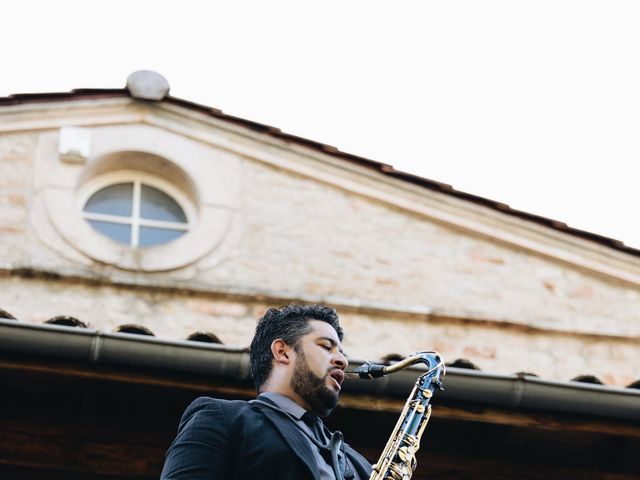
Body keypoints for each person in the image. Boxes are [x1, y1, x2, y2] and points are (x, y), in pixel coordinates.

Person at [160, 304, 372, 480]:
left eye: (342, 353)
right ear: (282, 351)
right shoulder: (223, 418)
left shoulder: (359, 463)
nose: (342, 361)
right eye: (327, 346)